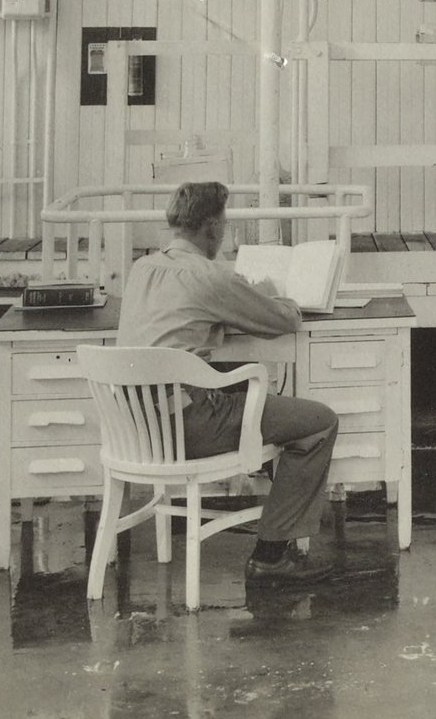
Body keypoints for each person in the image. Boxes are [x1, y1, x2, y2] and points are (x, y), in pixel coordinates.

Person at [115, 182, 364, 584]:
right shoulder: (210, 277)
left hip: (138, 426)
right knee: (318, 423)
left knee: (255, 393)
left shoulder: (141, 269)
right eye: (224, 224)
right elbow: (286, 320)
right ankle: (271, 556)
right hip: (187, 426)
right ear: (212, 227)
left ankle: (274, 491)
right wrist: (270, 293)